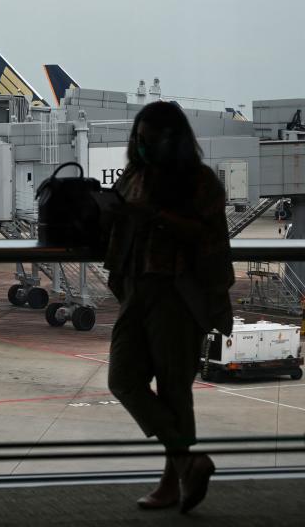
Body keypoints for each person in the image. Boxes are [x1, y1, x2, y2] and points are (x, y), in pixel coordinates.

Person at [103, 101, 234, 514]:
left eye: (149, 139)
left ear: (171, 139)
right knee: (122, 380)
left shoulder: (200, 182)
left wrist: (156, 216)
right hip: (136, 289)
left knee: (175, 390)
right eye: (137, 139)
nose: (140, 147)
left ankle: (172, 483)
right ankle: (187, 462)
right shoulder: (133, 175)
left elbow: (210, 237)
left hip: (178, 295)